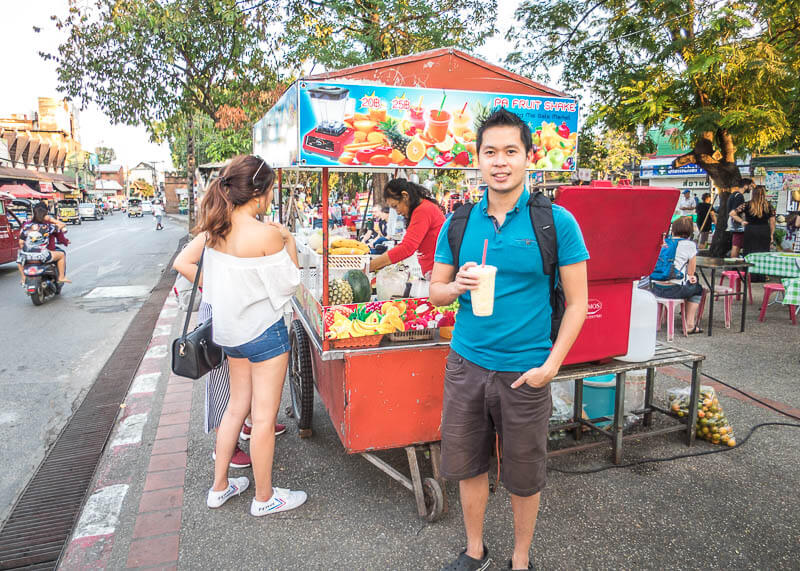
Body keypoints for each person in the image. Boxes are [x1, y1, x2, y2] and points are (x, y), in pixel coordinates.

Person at [430, 108, 589, 571]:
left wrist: (552, 365)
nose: (500, 162)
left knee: (523, 473)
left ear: (528, 158)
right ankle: (475, 549)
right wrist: (456, 285)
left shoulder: (555, 223)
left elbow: (578, 302)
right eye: (490, 152)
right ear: (477, 160)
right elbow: (436, 292)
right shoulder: (459, 222)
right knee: (468, 464)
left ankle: (521, 559)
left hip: (526, 371)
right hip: (467, 365)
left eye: (510, 152)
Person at [194, 154, 306, 516]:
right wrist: (287, 238)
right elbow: (291, 282)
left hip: (230, 334)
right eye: (271, 190)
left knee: (235, 409)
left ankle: (219, 487)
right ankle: (264, 497)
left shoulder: (214, 230)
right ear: (258, 193)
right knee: (262, 417)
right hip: (264, 336)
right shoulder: (269, 234)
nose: (272, 197)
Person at [172, 237, 289, 471]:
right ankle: (225, 445)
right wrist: (222, 288)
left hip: (240, 311)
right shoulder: (215, 225)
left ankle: (250, 423)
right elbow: (182, 262)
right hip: (219, 311)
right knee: (222, 381)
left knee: (245, 379)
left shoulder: (243, 224)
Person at [368, 179, 446, 278]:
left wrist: (370, 266)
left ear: (405, 196)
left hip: (438, 273)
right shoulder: (424, 208)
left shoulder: (423, 210)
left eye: (396, 206)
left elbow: (407, 247)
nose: (398, 212)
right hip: (434, 272)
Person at [651, 216, 704, 334]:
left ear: (673, 229)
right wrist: (691, 276)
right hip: (675, 290)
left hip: (656, 288)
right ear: (690, 231)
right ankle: (690, 325)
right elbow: (691, 272)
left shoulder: (663, 242)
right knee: (698, 289)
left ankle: (662, 320)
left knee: (689, 284)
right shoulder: (690, 245)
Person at [17, 202, 71, 285]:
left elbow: (20, 243)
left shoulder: (26, 226)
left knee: (19, 258)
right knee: (61, 255)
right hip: (42, 255)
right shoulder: (47, 227)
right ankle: (61, 277)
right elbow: (62, 225)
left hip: (26, 255)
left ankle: (23, 278)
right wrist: (51, 219)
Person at [727, 178, 753, 258]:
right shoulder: (739, 197)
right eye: (750, 186)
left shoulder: (733, 195)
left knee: (736, 245)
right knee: (736, 246)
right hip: (737, 224)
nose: (751, 188)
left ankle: (734, 265)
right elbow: (733, 212)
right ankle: (733, 266)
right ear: (745, 186)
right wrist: (741, 221)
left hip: (733, 223)